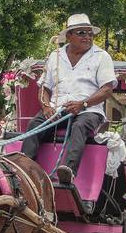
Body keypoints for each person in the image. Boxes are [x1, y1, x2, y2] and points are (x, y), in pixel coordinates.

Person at [22, 13, 117, 196]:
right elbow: (44, 87)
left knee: (80, 126)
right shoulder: (55, 56)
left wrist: (83, 103)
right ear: (69, 36)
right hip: (57, 108)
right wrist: (46, 106)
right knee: (34, 125)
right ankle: (25, 167)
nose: (87, 37)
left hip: (88, 109)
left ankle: (68, 171)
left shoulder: (101, 56)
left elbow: (106, 89)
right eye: (82, 33)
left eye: (90, 34)